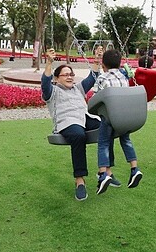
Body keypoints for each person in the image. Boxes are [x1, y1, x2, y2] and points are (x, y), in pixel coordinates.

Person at [42, 46, 103, 201]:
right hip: (67, 122)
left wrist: (97, 60)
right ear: (57, 78)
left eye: (71, 74)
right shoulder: (52, 91)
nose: (70, 77)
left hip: (84, 118)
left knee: (107, 127)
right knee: (78, 135)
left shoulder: (78, 88)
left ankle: (104, 171)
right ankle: (80, 180)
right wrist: (49, 63)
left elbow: (93, 77)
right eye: (65, 75)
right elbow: (45, 83)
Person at [95, 49, 143, 196]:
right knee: (126, 140)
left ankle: (103, 174)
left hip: (110, 117)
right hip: (125, 117)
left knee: (103, 142)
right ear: (120, 63)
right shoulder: (124, 77)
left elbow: (96, 98)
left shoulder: (102, 78)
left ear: (103, 65)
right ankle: (134, 169)